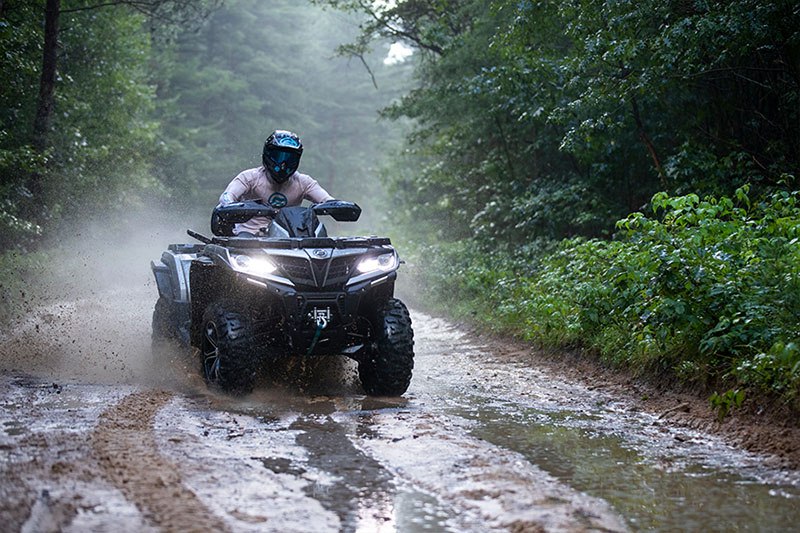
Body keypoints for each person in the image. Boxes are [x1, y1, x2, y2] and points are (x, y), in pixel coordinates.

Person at [218, 130, 334, 236]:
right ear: (268, 155)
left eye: (290, 159)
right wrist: (232, 206)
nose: (283, 164)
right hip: (250, 236)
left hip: (290, 239)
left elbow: (328, 201)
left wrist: (340, 207)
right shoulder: (250, 177)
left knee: (322, 245)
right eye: (278, 157)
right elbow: (227, 196)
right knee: (242, 247)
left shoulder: (304, 182)